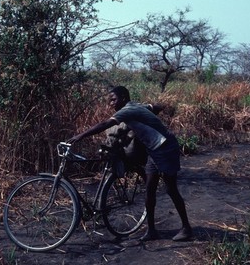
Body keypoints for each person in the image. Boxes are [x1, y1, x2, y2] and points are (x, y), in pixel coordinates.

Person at [68, 86, 193, 242]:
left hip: (166, 148)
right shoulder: (136, 106)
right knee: (149, 189)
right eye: (109, 101)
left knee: (171, 189)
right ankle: (152, 231)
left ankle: (186, 228)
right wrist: (155, 113)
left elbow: (104, 124)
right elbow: (154, 107)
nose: (110, 104)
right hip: (153, 150)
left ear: (124, 98)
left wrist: (80, 136)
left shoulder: (127, 110)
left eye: (113, 99)